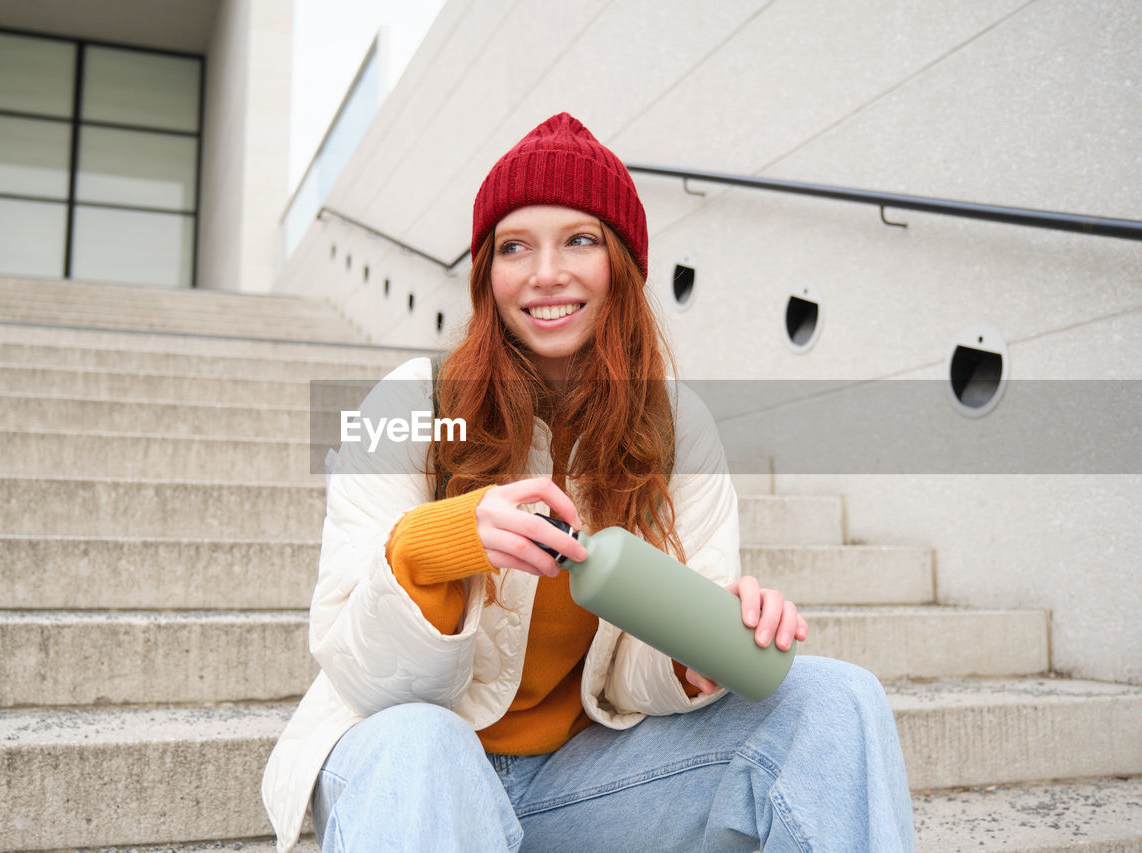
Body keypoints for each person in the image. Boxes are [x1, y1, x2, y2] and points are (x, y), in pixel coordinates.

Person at [261, 113, 915, 852]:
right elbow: (362, 672)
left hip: (576, 785)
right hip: (404, 771)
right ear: (487, 273)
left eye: (579, 239)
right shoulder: (411, 403)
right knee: (424, 742)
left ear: (621, 265)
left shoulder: (674, 425)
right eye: (515, 247)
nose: (546, 273)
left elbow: (633, 677)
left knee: (835, 700)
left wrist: (694, 654)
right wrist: (435, 546)